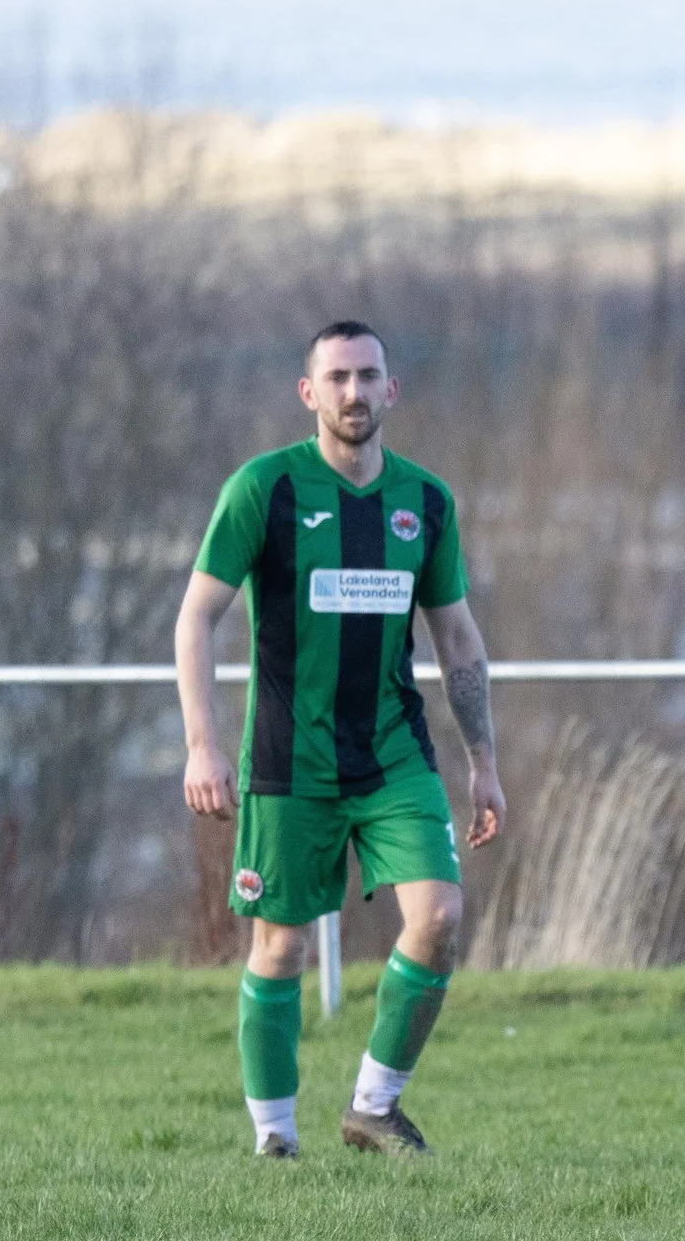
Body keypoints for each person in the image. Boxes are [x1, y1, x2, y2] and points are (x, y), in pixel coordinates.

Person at [174, 321, 506, 1159]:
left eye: (368, 376)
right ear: (309, 393)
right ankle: (274, 1141)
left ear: (392, 390)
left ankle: (374, 1107)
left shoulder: (425, 503)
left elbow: (458, 640)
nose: (354, 392)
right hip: (290, 760)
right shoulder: (265, 490)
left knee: (439, 917)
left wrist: (484, 762)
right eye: (338, 377)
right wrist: (201, 745)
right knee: (280, 946)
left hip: (394, 753)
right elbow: (196, 618)